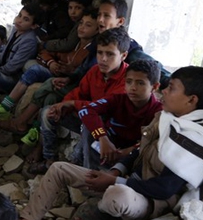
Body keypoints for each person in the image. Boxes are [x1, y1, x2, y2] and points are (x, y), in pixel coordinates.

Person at [14, 66, 203, 220]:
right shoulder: (166, 119)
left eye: (171, 88)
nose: (164, 91)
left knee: (117, 195)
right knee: (59, 168)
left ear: (191, 100)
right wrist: (116, 171)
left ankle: (103, 212)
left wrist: (115, 182)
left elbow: (164, 189)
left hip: (151, 201)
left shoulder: (195, 141)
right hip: (128, 180)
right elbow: (140, 150)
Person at [28, 27, 130, 175]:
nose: (103, 59)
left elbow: (106, 107)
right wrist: (63, 105)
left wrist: (72, 104)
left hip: (107, 129)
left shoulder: (128, 80)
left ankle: (87, 175)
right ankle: (49, 159)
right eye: (100, 53)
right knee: (48, 112)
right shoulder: (95, 71)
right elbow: (79, 93)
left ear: (123, 55)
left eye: (110, 54)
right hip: (87, 117)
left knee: (91, 127)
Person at [0, 7, 99, 122]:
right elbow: (45, 52)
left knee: (39, 77)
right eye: (81, 23)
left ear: (97, 30)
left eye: (88, 25)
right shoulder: (72, 44)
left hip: (69, 82)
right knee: (33, 69)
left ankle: (11, 112)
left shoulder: (91, 51)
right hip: (56, 73)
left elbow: (84, 75)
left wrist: (70, 72)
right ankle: (10, 113)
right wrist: (51, 62)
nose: (81, 27)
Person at [77, 59, 163, 169]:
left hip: (134, 153)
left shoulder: (159, 111)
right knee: (89, 128)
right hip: (107, 146)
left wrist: (129, 150)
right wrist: (102, 137)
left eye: (140, 83)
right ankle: (89, 171)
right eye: (129, 82)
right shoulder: (118, 99)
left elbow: (156, 140)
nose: (133, 88)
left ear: (154, 87)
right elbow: (85, 111)